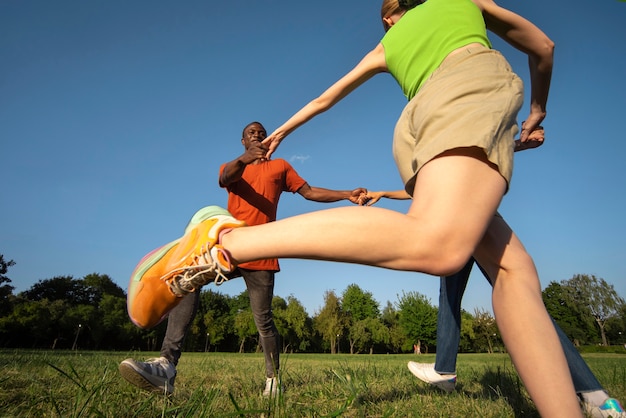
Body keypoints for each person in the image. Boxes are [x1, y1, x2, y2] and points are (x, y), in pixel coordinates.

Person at [127, 0, 583, 415]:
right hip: (466, 92)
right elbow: (542, 46)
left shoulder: (385, 47)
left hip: (420, 124)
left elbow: (325, 98)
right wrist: (538, 108)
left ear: (388, 16)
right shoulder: (461, 2)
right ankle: (223, 241)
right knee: (440, 246)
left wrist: (284, 134)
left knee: (512, 270)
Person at [121, 121, 367, 396]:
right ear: (243, 141)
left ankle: (273, 382)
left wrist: (347, 195)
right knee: (187, 282)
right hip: (229, 247)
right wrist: (245, 159)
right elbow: (226, 177)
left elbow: (309, 192)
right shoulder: (234, 166)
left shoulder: (281, 166)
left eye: (261, 133)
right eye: (252, 133)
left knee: (263, 319)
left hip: (262, 249)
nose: (257, 136)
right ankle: (166, 366)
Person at [362, 190, 625, 418]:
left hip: (467, 215)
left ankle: (596, 397)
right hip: (464, 214)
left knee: (522, 300)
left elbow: (431, 183)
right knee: (451, 289)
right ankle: (444, 370)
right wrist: (386, 193)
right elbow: (428, 184)